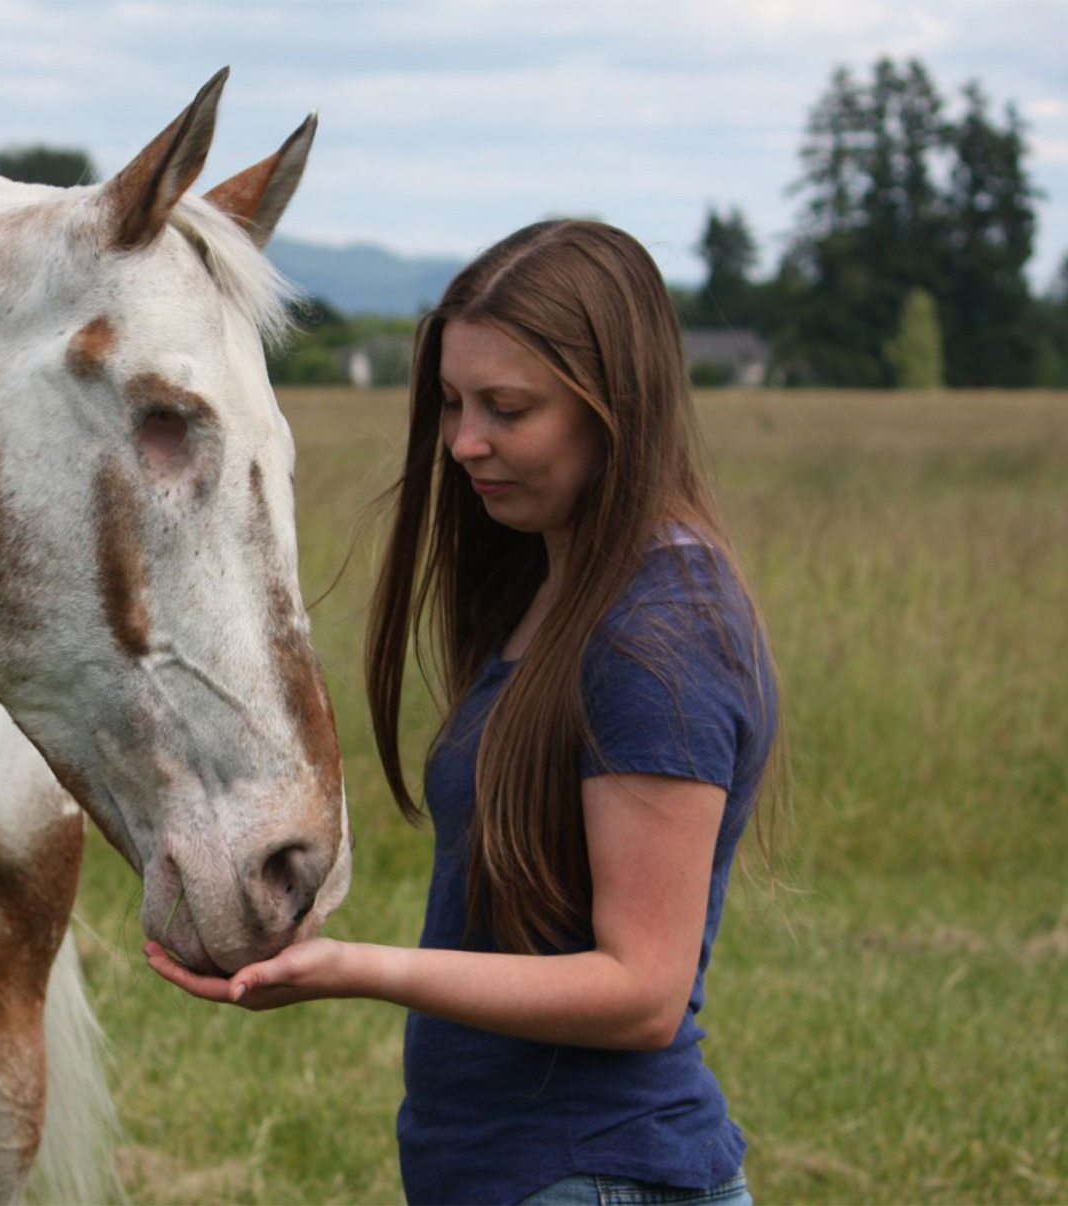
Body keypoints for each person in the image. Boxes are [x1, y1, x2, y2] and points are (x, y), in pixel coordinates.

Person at [146, 219, 780, 1206]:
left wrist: (362, 967)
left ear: (616, 405)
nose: (463, 442)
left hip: (599, 1174)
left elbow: (642, 990)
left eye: (507, 409)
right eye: (450, 402)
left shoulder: (658, 636)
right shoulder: (566, 590)